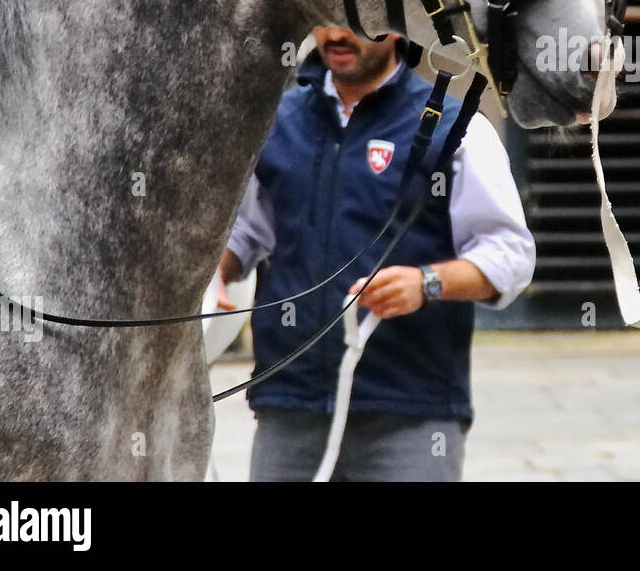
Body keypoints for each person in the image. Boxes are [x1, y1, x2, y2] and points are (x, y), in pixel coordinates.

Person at [216, 26, 535, 481]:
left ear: (397, 29)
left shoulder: (454, 123)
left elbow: (511, 253)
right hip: (289, 404)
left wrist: (427, 282)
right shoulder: (274, 120)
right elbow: (244, 231)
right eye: (326, 17)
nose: (337, 33)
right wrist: (214, 274)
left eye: (356, 21)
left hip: (411, 410)